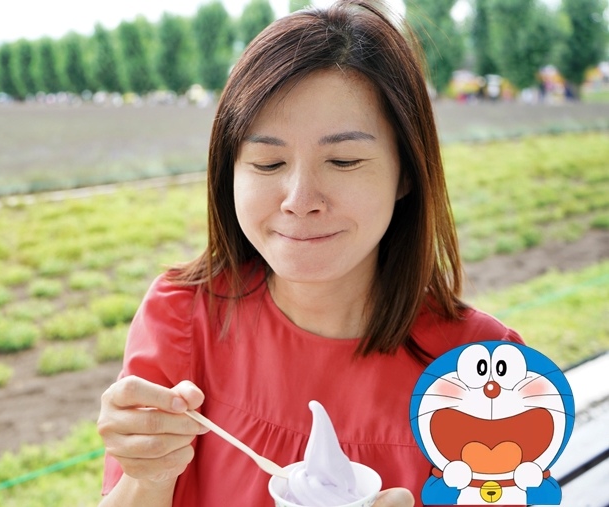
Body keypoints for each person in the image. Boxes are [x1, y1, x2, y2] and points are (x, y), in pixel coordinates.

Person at [96, 2, 525, 507]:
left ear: (407, 172)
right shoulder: (181, 318)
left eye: (343, 160)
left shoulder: (486, 373)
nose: (300, 200)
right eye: (267, 161)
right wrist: (146, 477)